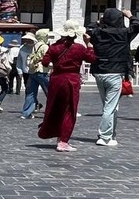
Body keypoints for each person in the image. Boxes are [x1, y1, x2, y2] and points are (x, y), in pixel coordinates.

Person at [38, 20, 96, 152]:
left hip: (56, 79)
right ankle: (63, 141)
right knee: (69, 110)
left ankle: (56, 134)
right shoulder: (79, 48)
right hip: (71, 80)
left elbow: (45, 62)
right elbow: (92, 58)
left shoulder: (54, 47)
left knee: (55, 108)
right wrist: (89, 44)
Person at [88, 8, 139, 146]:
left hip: (99, 71)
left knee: (110, 105)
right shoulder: (123, 33)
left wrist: (98, 21)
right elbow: (138, 25)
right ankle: (105, 136)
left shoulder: (98, 33)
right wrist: (130, 15)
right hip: (115, 72)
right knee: (110, 106)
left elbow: (89, 29)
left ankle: (111, 134)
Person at [19, 31, 48, 120]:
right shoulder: (45, 46)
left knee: (31, 93)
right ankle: (53, 112)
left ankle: (26, 113)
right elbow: (47, 58)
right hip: (42, 71)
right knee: (50, 92)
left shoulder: (34, 46)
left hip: (32, 71)